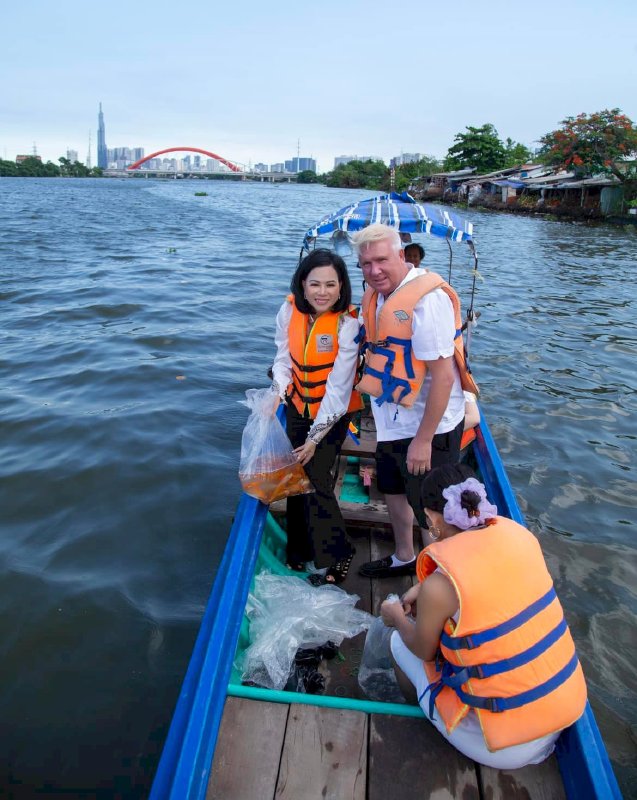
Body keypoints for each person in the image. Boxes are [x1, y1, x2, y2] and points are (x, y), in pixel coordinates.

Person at [380, 463, 587, 768]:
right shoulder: (518, 534)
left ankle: (429, 719)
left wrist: (395, 616)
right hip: (564, 713)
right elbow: (482, 577)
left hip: (506, 748)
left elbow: (423, 649)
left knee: (399, 643)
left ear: (435, 520)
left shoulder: (440, 587)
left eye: (427, 520)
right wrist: (425, 589)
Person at [352, 223, 478, 578]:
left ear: (402, 255)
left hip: (429, 426)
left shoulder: (428, 300)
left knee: (430, 504)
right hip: (391, 419)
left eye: (381, 260)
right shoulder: (377, 296)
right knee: (392, 488)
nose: (374, 271)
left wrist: (423, 440)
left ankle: (438, 572)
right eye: (365, 264)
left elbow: (443, 376)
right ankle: (405, 555)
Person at [270, 248, 364, 584]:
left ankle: (340, 551)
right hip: (297, 405)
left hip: (333, 414)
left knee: (315, 478)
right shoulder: (288, 310)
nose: (322, 292)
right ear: (302, 284)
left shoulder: (348, 324)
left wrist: (313, 439)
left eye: (330, 284)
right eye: (314, 284)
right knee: (295, 479)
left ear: (342, 287)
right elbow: (282, 359)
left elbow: (339, 390)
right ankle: (298, 549)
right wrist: (277, 392)